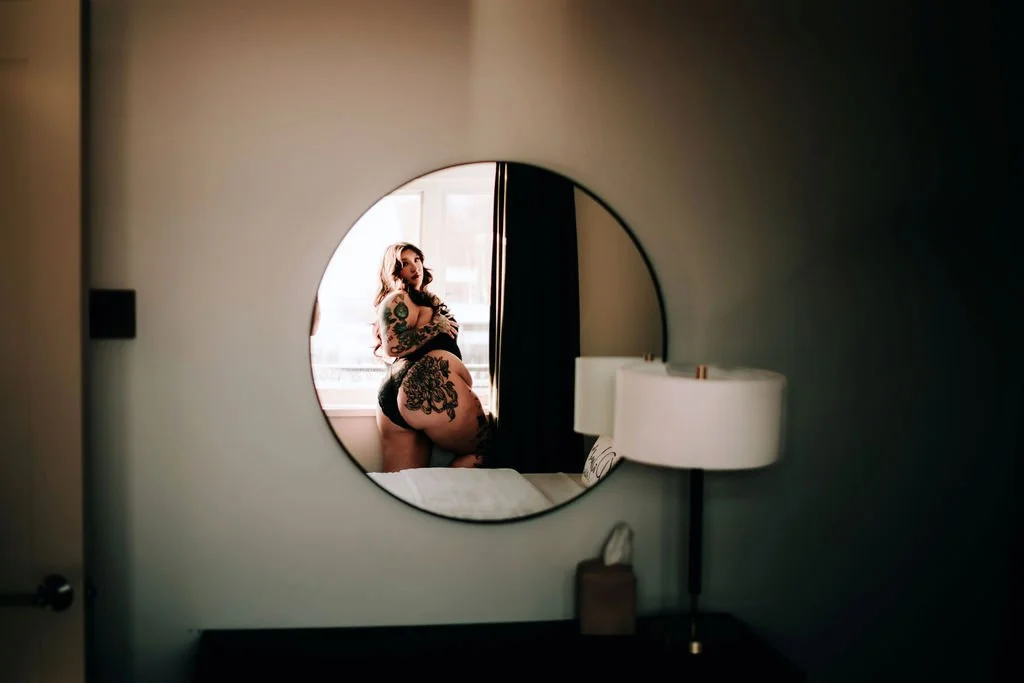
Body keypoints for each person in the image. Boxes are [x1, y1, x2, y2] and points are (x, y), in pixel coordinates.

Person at [372, 242, 493, 472]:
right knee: (486, 452)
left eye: (417, 260)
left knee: (404, 485)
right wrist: (435, 327)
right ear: (393, 271)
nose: (414, 267)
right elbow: (393, 347)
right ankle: (448, 497)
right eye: (404, 264)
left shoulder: (424, 299)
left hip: (398, 393)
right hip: (425, 385)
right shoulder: (398, 299)